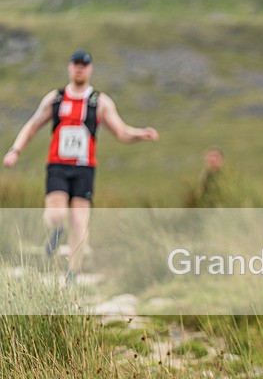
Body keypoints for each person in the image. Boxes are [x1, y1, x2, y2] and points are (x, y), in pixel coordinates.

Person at [2, 49, 159, 281]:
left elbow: (122, 132)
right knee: (56, 214)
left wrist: (140, 134)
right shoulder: (55, 99)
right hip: (57, 165)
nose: (79, 68)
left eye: (84, 65)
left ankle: (73, 272)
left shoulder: (100, 102)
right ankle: (56, 231)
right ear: (69, 67)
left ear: (90, 69)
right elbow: (32, 125)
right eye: (76, 64)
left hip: (84, 168)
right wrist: (15, 150)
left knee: (79, 221)